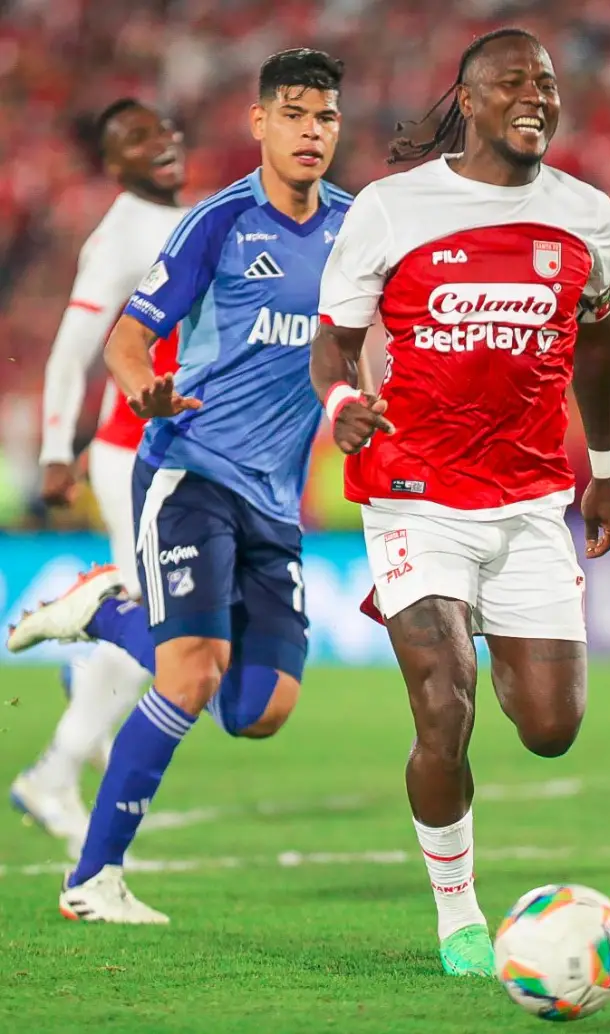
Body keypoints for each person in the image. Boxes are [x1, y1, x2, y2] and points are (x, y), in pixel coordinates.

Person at [8, 47, 361, 924]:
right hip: (191, 471)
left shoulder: (358, 228)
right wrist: (143, 392)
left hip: (276, 502)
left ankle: (110, 611)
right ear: (260, 124)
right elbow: (128, 339)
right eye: (293, 114)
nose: (309, 131)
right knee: (189, 678)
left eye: (324, 117)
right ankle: (94, 879)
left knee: (261, 709)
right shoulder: (217, 223)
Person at [311, 27, 610, 976]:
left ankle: (487, 641)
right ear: (469, 99)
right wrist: (342, 403)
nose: (537, 96)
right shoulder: (393, 208)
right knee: (442, 709)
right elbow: (335, 338)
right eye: (514, 83)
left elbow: (600, 340)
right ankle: (458, 915)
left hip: (530, 499)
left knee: (551, 729)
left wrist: (603, 467)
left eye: (548, 83)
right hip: (413, 492)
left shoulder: (588, 216)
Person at [12, 100, 188, 852]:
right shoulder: (118, 236)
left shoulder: (197, 214)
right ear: (111, 164)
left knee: (168, 619)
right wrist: (56, 453)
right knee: (157, 616)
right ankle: (51, 775)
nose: (162, 144)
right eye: (137, 139)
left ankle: (91, 674)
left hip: (182, 448)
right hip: (131, 450)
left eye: (164, 130)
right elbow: (67, 350)